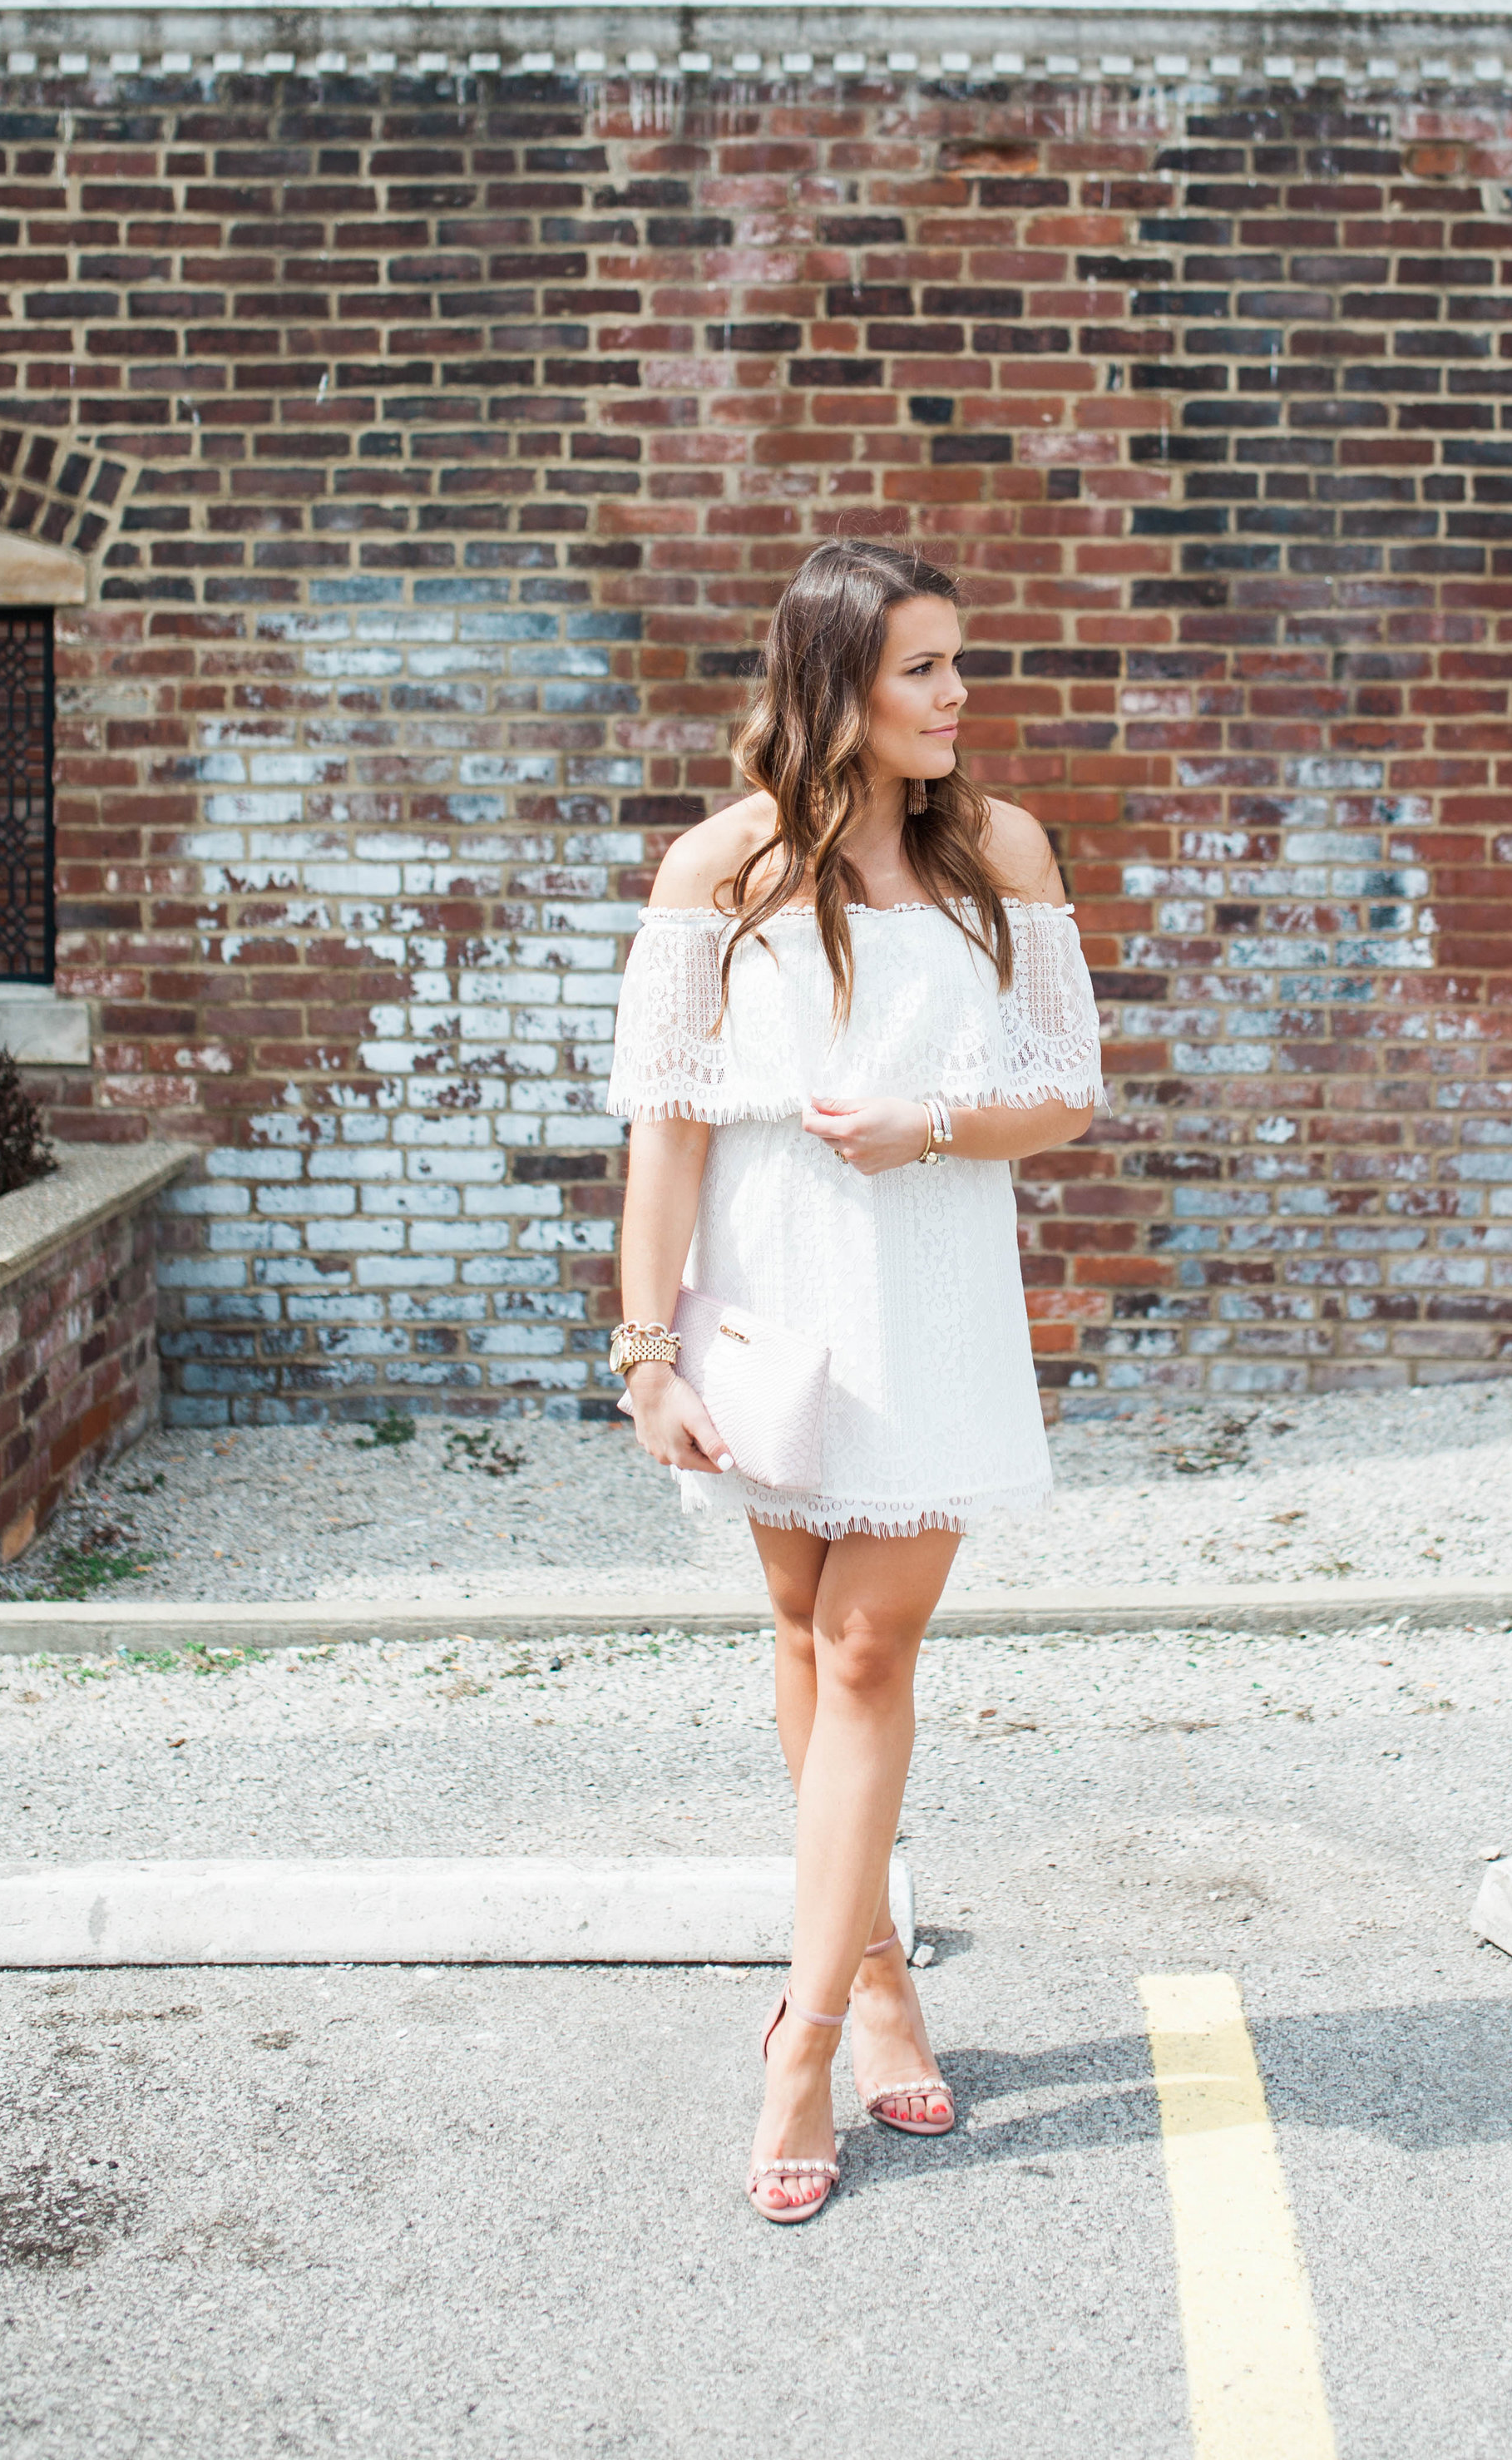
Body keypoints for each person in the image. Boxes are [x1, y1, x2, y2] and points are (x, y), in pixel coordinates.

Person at [604, 539, 1106, 2224]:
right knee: (800, 1625)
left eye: (960, 663)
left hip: (933, 1285)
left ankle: (801, 2034)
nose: (957, 697)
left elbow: (1066, 1094)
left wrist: (932, 1123)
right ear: (833, 684)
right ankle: (879, 1966)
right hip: (760, 1287)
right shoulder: (714, 868)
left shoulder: (999, 849)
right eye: (923, 670)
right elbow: (664, 1130)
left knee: (867, 1638)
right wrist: (644, 1348)